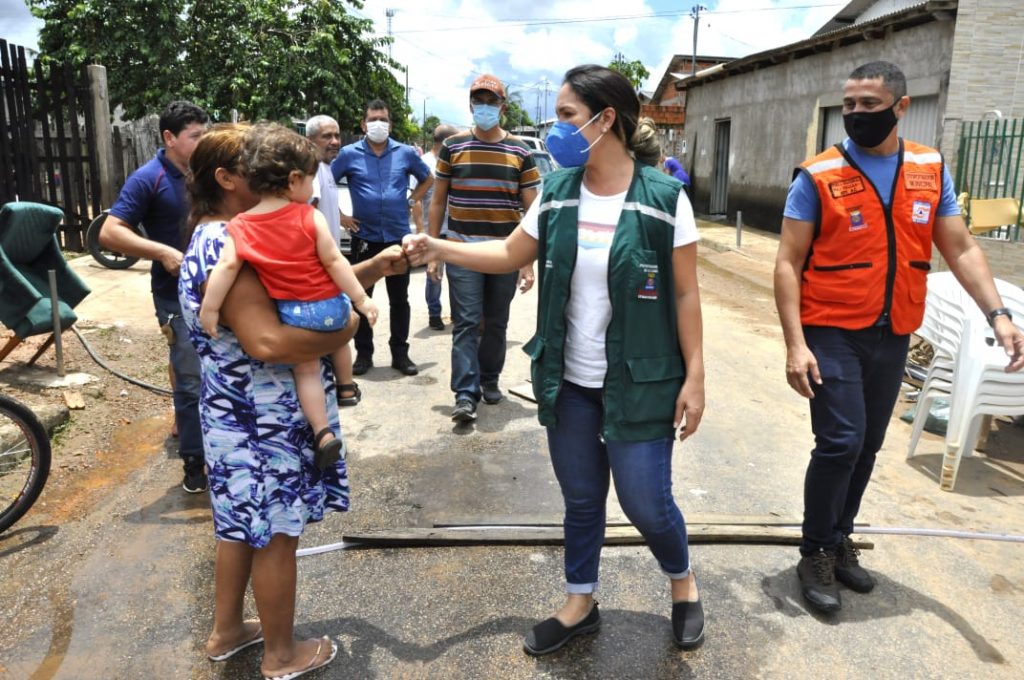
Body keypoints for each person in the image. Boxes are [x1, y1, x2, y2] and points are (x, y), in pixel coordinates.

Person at [405, 64, 706, 653]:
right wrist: (436, 245)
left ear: (606, 120)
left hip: (641, 381)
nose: (559, 128)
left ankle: (683, 584)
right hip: (569, 380)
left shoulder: (665, 198)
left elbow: (687, 293)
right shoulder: (557, 191)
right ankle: (579, 602)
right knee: (582, 497)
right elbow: (510, 251)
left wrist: (696, 376)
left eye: (568, 115)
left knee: (647, 502)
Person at [774, 61, 1024, 615]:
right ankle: (813, 551)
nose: (857, 114)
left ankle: (839, 539)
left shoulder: (930, 168)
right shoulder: (817, 175)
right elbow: (788, 261)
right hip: (831, 329)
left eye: (869, 103)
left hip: (893, 331)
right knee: (840, 440)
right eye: (851, 105)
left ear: (901, 106)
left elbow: (960, 248)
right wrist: (795, 343)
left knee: (867, 444)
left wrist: (998, 314)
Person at [179, 124, 411, 679]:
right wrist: (349, 326)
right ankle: (282, 655)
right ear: (229, 179)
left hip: (232, 415)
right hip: (263, 421)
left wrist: (371, 270)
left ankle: (227, 631)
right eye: (253, 165)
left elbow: (298, 295)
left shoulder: (226, 235)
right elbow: (269, 341)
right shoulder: (230, 242)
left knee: (239, 527)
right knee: (277, 534)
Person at [198, 123, 378, 469]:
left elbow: (226, 269)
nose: (314, 188)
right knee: (338, 341)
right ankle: (346, 384)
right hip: (333, 308)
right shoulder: (309, 216)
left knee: (307, 370)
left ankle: (322, 431)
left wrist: (210, 309)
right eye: (311, 180)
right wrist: (361, 300)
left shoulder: (241, 226)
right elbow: (335, 261)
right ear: (294, 180)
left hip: (294, 314)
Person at [99, 100, 210, 493]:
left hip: (220, 290)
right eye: (195, 136)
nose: (203, 141)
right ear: (170, 138)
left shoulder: (210, 172)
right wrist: (161, 252)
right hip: (174, 295)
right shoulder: (149, 178)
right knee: (189, 376)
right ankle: (195, 463)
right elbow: (110, 233)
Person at [427, 75, 541, 422]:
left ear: (502, 107)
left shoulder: (521, 151)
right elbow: (437, 202)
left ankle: (489, 380)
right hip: (462, 250)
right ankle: (465, 392)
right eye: (479, 101)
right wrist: (435, 250)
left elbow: (532, 210)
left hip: (506, 252)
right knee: (465, 322)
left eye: (491, 101)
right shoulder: (454, 147)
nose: (485, 107)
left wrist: (527, 261)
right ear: (471, 105)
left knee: (496, 322)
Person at [331, 99, 433, 377]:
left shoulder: (405, 153)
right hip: (365, 237)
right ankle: (364, 354)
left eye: (384, 119)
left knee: (400, 299)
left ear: (390, 124)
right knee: (361, 295)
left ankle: (400, 353)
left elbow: (428, 178)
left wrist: (413, 200)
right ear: (364, 124)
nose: (379, 124)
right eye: (374, 119)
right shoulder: (349, 154)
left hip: (398, 238)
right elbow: (326, 183)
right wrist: (341, 216)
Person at [306, 114, 361, 407]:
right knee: (332, 327)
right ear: (311, 139)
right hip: (318, 265)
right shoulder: (311, 170)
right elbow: (308, 211)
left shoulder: (326, 168)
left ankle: (341, 385)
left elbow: (326, 203)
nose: (335, 141)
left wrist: (341, 217)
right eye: (327, 136)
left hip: (329, 260)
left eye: (337, 135)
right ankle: (338, 386)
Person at [419, 123, 459, 331]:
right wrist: (419, 230)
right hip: (432, 230)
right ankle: (434, 313)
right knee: (434, 275)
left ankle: (456, 313)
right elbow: (416, 199)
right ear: (446, 142)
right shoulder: (424, 163)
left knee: (458, 275)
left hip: (455, 229)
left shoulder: (456, 161)